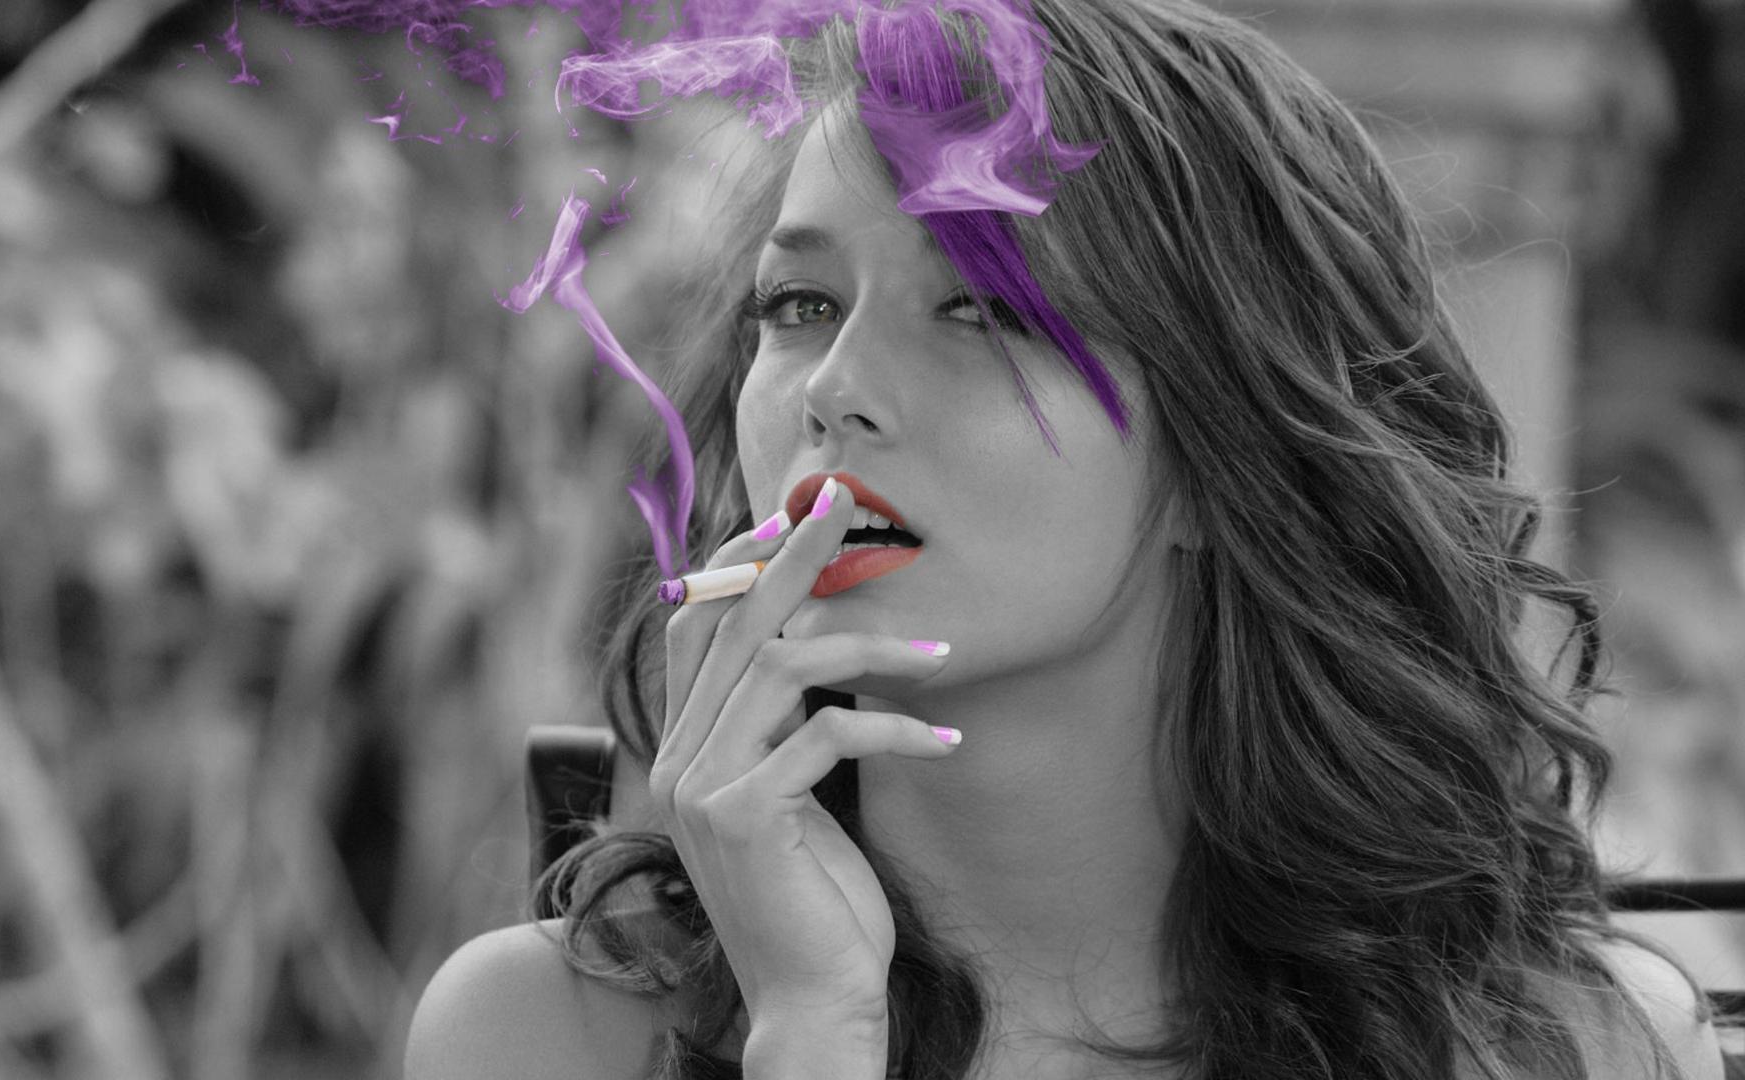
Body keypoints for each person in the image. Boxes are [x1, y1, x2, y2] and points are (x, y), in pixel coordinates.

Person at [405, 0, 1729, 1077]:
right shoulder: (547, 1035)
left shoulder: (1558, 1048)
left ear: (1230, 454)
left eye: (983, 310)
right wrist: (810, 1030)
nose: (834, 387)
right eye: (801, 303)